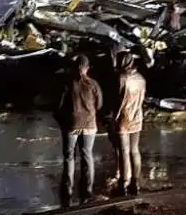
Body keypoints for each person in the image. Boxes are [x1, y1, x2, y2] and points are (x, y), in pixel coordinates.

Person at [55, 54, 102, 206]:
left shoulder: (68, 84)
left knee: (69, 157)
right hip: (89, 124)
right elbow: (100, 104)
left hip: (71, 125)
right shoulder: (93, 84)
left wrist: (61, 120)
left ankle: (68, 190)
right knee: (87, 155)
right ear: (87, 68)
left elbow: (59, 106)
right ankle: (87, 190)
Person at [111, 52, 146, 196]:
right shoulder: (141, 78)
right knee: (135, 150)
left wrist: (114, 117)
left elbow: (119, 101)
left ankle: (123, 183)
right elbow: (142, 99)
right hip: (137, 116)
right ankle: (135, 183)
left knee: (124, 151)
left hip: (124, 117)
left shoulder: (122, 78)